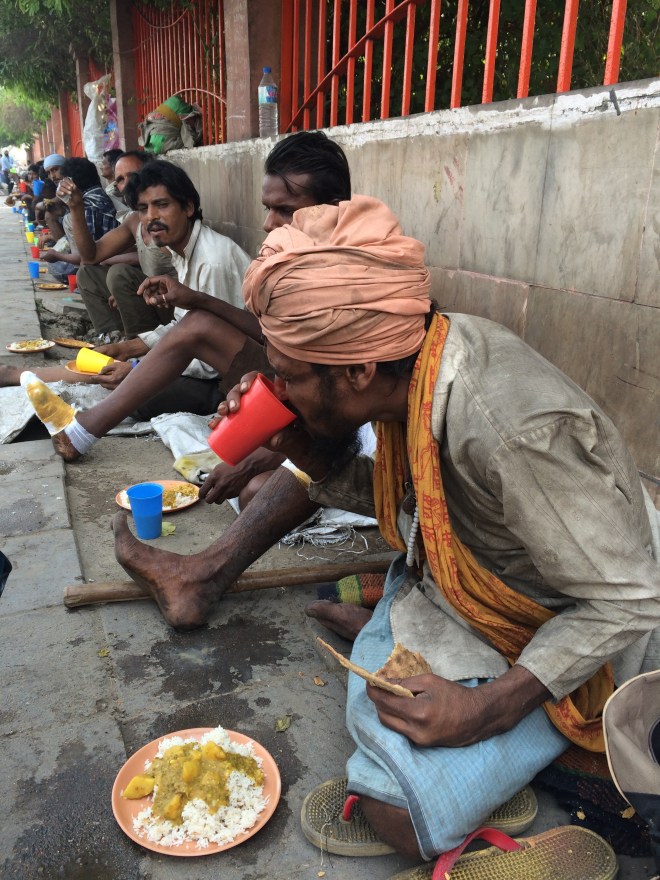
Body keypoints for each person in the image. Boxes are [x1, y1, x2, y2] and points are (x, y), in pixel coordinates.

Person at [111, 195, 659, 870]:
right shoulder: (414, 366)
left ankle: (492, 758)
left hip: (582, 617)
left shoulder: (508, 427)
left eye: (286, 374)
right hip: (473, 583)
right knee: (386, 677)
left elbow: (628, 599)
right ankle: (419, 657)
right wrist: (310, 453)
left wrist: (485, 710)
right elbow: (406, 506)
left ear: (359, 371)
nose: (272, 387)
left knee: (391, 809)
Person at [20, 133, 351, 493]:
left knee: (144, 389)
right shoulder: (268, 257)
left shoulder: (230, 261)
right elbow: (258, 333)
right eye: (144, 209)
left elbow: (239, 349)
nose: (270, 223)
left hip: (244, 380)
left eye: (284, 210)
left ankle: (82, 421)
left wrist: (138, 361)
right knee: (136, 365)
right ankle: (54, 395)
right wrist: (136, 346)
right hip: (266, 372)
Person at [71, 150, 177, 342]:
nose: (127, 183)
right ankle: (112, 337)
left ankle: (139, 345)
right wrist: (76, 207)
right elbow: (90, 256)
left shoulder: (168, 217)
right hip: (148, 293)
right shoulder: (133, 220)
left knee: (119, 274)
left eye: (132, 175)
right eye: (120, 179)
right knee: (88, 273)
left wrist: (127, 286)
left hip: (174, 305)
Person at [40, 157, 119, 283]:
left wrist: (57, 255)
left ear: (72, 181)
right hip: (100, 261)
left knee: (55, 267)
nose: (54, 178)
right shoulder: (96, 194)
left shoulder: (86, 208)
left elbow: (87, 256)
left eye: (64, 180)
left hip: (99, 268)